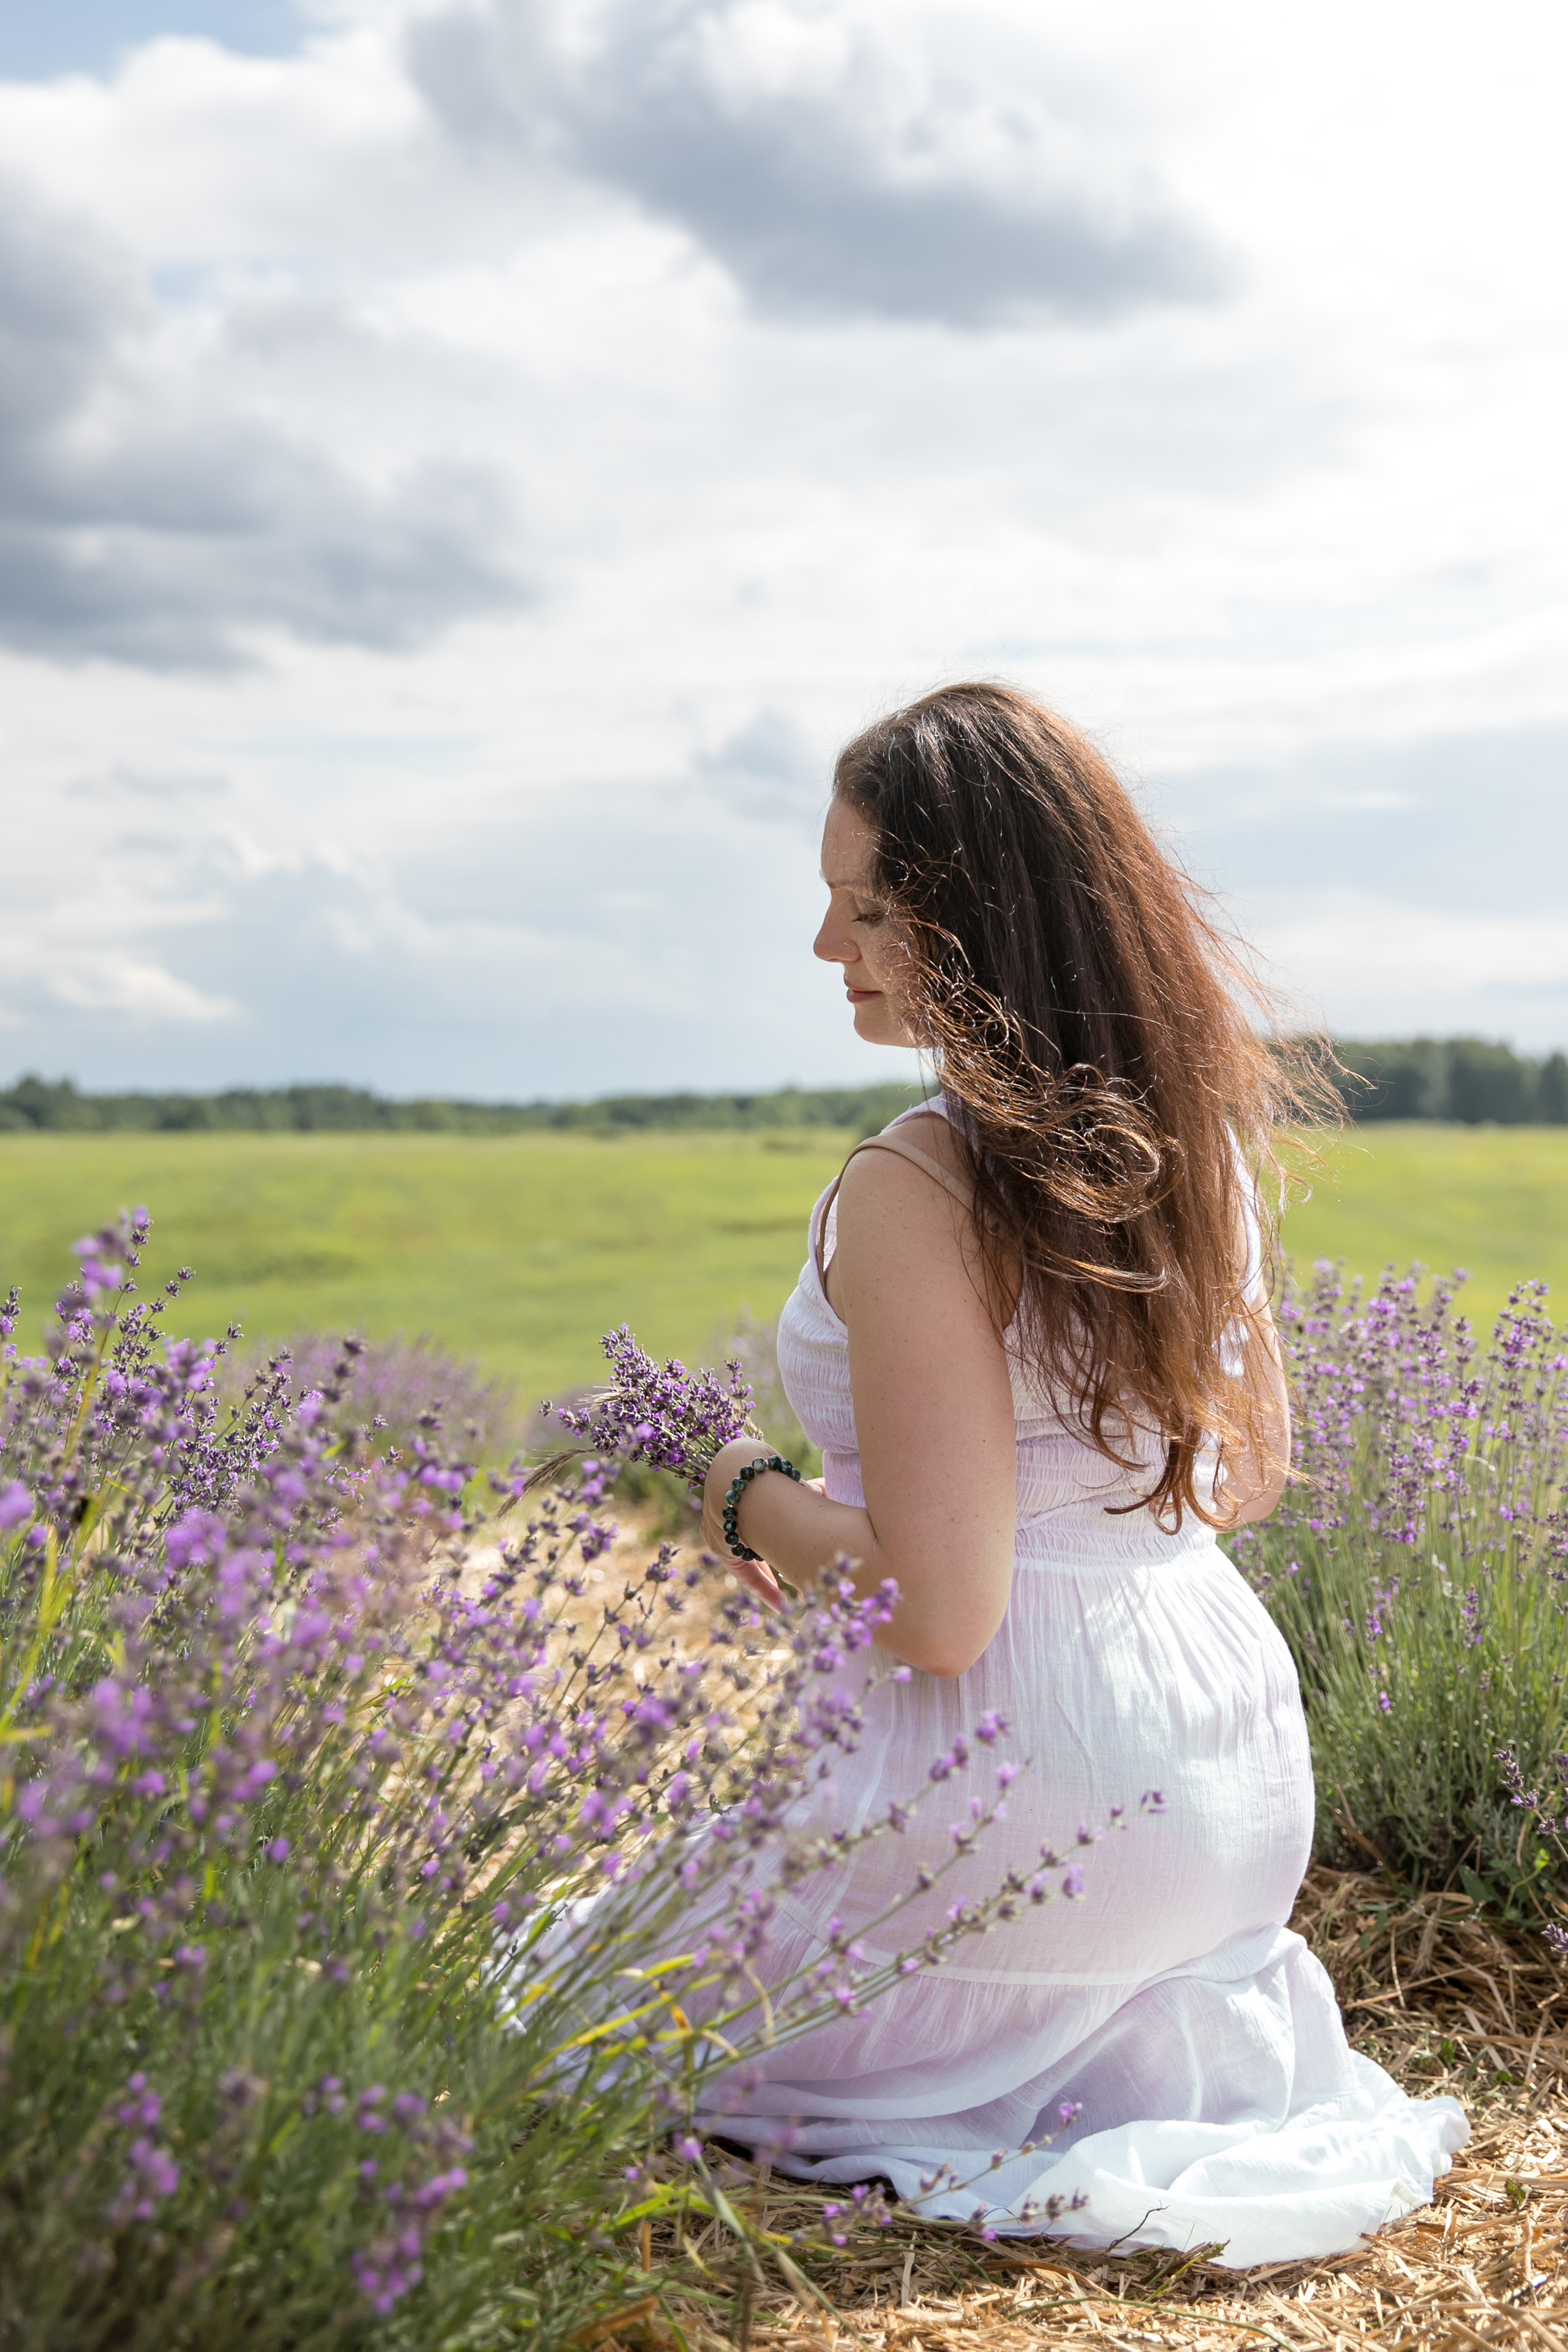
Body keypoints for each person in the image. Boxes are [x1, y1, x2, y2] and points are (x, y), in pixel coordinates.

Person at [694, 682, 1466, 2267]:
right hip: (1225, 1797)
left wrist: (717, 1482)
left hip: (1021, 1805)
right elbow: (1243, 1478)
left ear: (978, 921)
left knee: (590, 1985)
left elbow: (938, 1615)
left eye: (869, 906)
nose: (830, 949)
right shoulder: (1191, 1141)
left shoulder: (918, 1179)